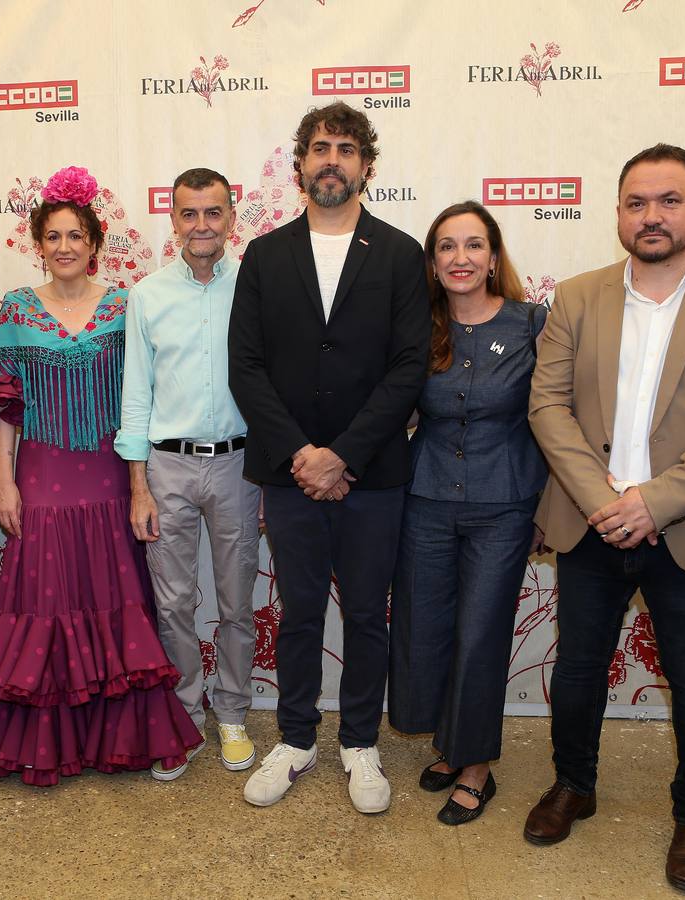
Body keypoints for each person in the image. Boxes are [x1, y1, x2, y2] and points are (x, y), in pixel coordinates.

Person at [524, 144, 685, 893]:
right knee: (576, 669)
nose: (652, 216)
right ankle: (574, 785)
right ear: (617, 214)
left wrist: (653, 503)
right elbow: (548, 406)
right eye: (636, 202)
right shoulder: (577, 296)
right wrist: (607, 504)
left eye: (669, 200)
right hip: (591, 524)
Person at [0, 165, 203, 785]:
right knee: (45, 609)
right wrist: (4, 482)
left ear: (95, 244)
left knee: (115, 605)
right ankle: (50, 744)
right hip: (41, 481)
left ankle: (114, 740)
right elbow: (4, 408)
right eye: (53, 236)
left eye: (75, 236)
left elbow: (142, 393)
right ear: (39, 245)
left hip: (111, 481)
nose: (64, 247)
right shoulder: (16, 309)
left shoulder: (123, 305)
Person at [229, 101, 431, 814]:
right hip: (290, 476)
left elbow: (409, 368)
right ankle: (295, 739)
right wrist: (304, 456)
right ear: (299, 166)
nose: (332, 160)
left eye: (347, 149)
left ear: (367, 166)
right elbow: (246, 368)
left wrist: (341, 456)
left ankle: (360, 745)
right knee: (300, 612)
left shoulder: (402, 254)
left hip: (372, 475)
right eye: (320, 147)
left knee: (369, 616)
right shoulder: (264, 254)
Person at [387, 201, 546, 825]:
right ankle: (450, 746)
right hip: (423, 501)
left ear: (494, 257)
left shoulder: (533, 324)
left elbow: (556, 419)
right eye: (447, 247)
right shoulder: (416, 328)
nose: (461, 258)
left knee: (480, 635)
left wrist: (552, 505)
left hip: (503, 505)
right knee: (427, 630)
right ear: (432, 261)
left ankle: (476, 765)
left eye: (473, 245)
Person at [116, 167, 261, 781]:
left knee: (235, 602)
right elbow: (136, 394)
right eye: (189, 214)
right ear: (172, 221)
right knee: (173, 602)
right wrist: (138, 485)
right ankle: (181, 714)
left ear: (231, 218)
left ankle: (230, 713)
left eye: (213, 213)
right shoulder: (147, 295)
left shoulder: (256, 288)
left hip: (239, 464)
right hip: (168, 466)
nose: (201, 225)